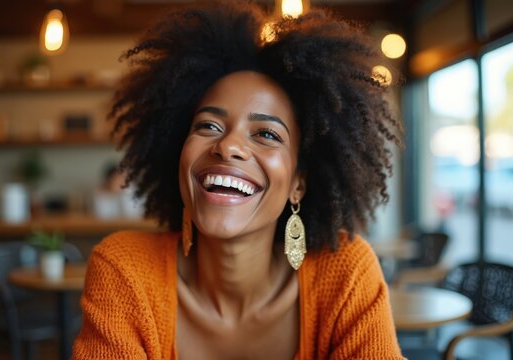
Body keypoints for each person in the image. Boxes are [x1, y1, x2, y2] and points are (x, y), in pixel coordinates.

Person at [72, 2, 405, 359]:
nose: (228, 145)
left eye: (266, 134)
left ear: (298, 184)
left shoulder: (345, 274)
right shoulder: (125, 271)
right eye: (208, 126)